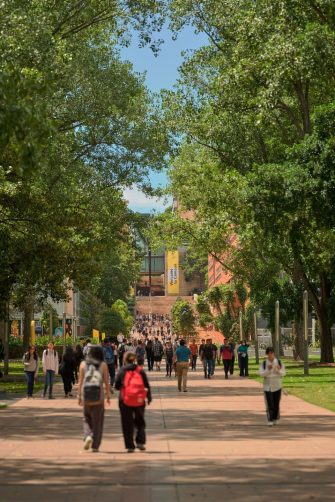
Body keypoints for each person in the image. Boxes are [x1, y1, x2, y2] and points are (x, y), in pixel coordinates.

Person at [115, 352, 152, 453]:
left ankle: (130, 445)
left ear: (125, 360)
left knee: (127, 423)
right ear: (134, 359)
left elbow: (117, 386)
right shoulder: (139, 370)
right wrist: (149, 397)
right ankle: (140, 442)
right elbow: (146, 385)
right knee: (140, 421)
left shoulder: (122, 370)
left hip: (125, 399)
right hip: (139, 399)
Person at [78, 345, 111, 452]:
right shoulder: (103, 365)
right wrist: (108, 396)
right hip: (99, 396)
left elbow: (80, 382)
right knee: (98, 422)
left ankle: (87, 435)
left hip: (86, 395)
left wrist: (79, 396)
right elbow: (106, 382)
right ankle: (95, 446)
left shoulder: (83, 364)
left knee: (86, 418)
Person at [259, 347, 286, 426]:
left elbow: (283, 373)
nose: (270, 355)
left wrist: (278, 370)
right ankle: (270, 419)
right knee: (270, 403)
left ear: (274, 353)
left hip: (277, 386)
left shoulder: (279, 362)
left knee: (276, 403)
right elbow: (261, 374)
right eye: (269, 354)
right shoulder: (264, 363)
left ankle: (275, 418)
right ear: (267, 354)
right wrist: (268, 370)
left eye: (272, 353)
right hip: (267, 387)